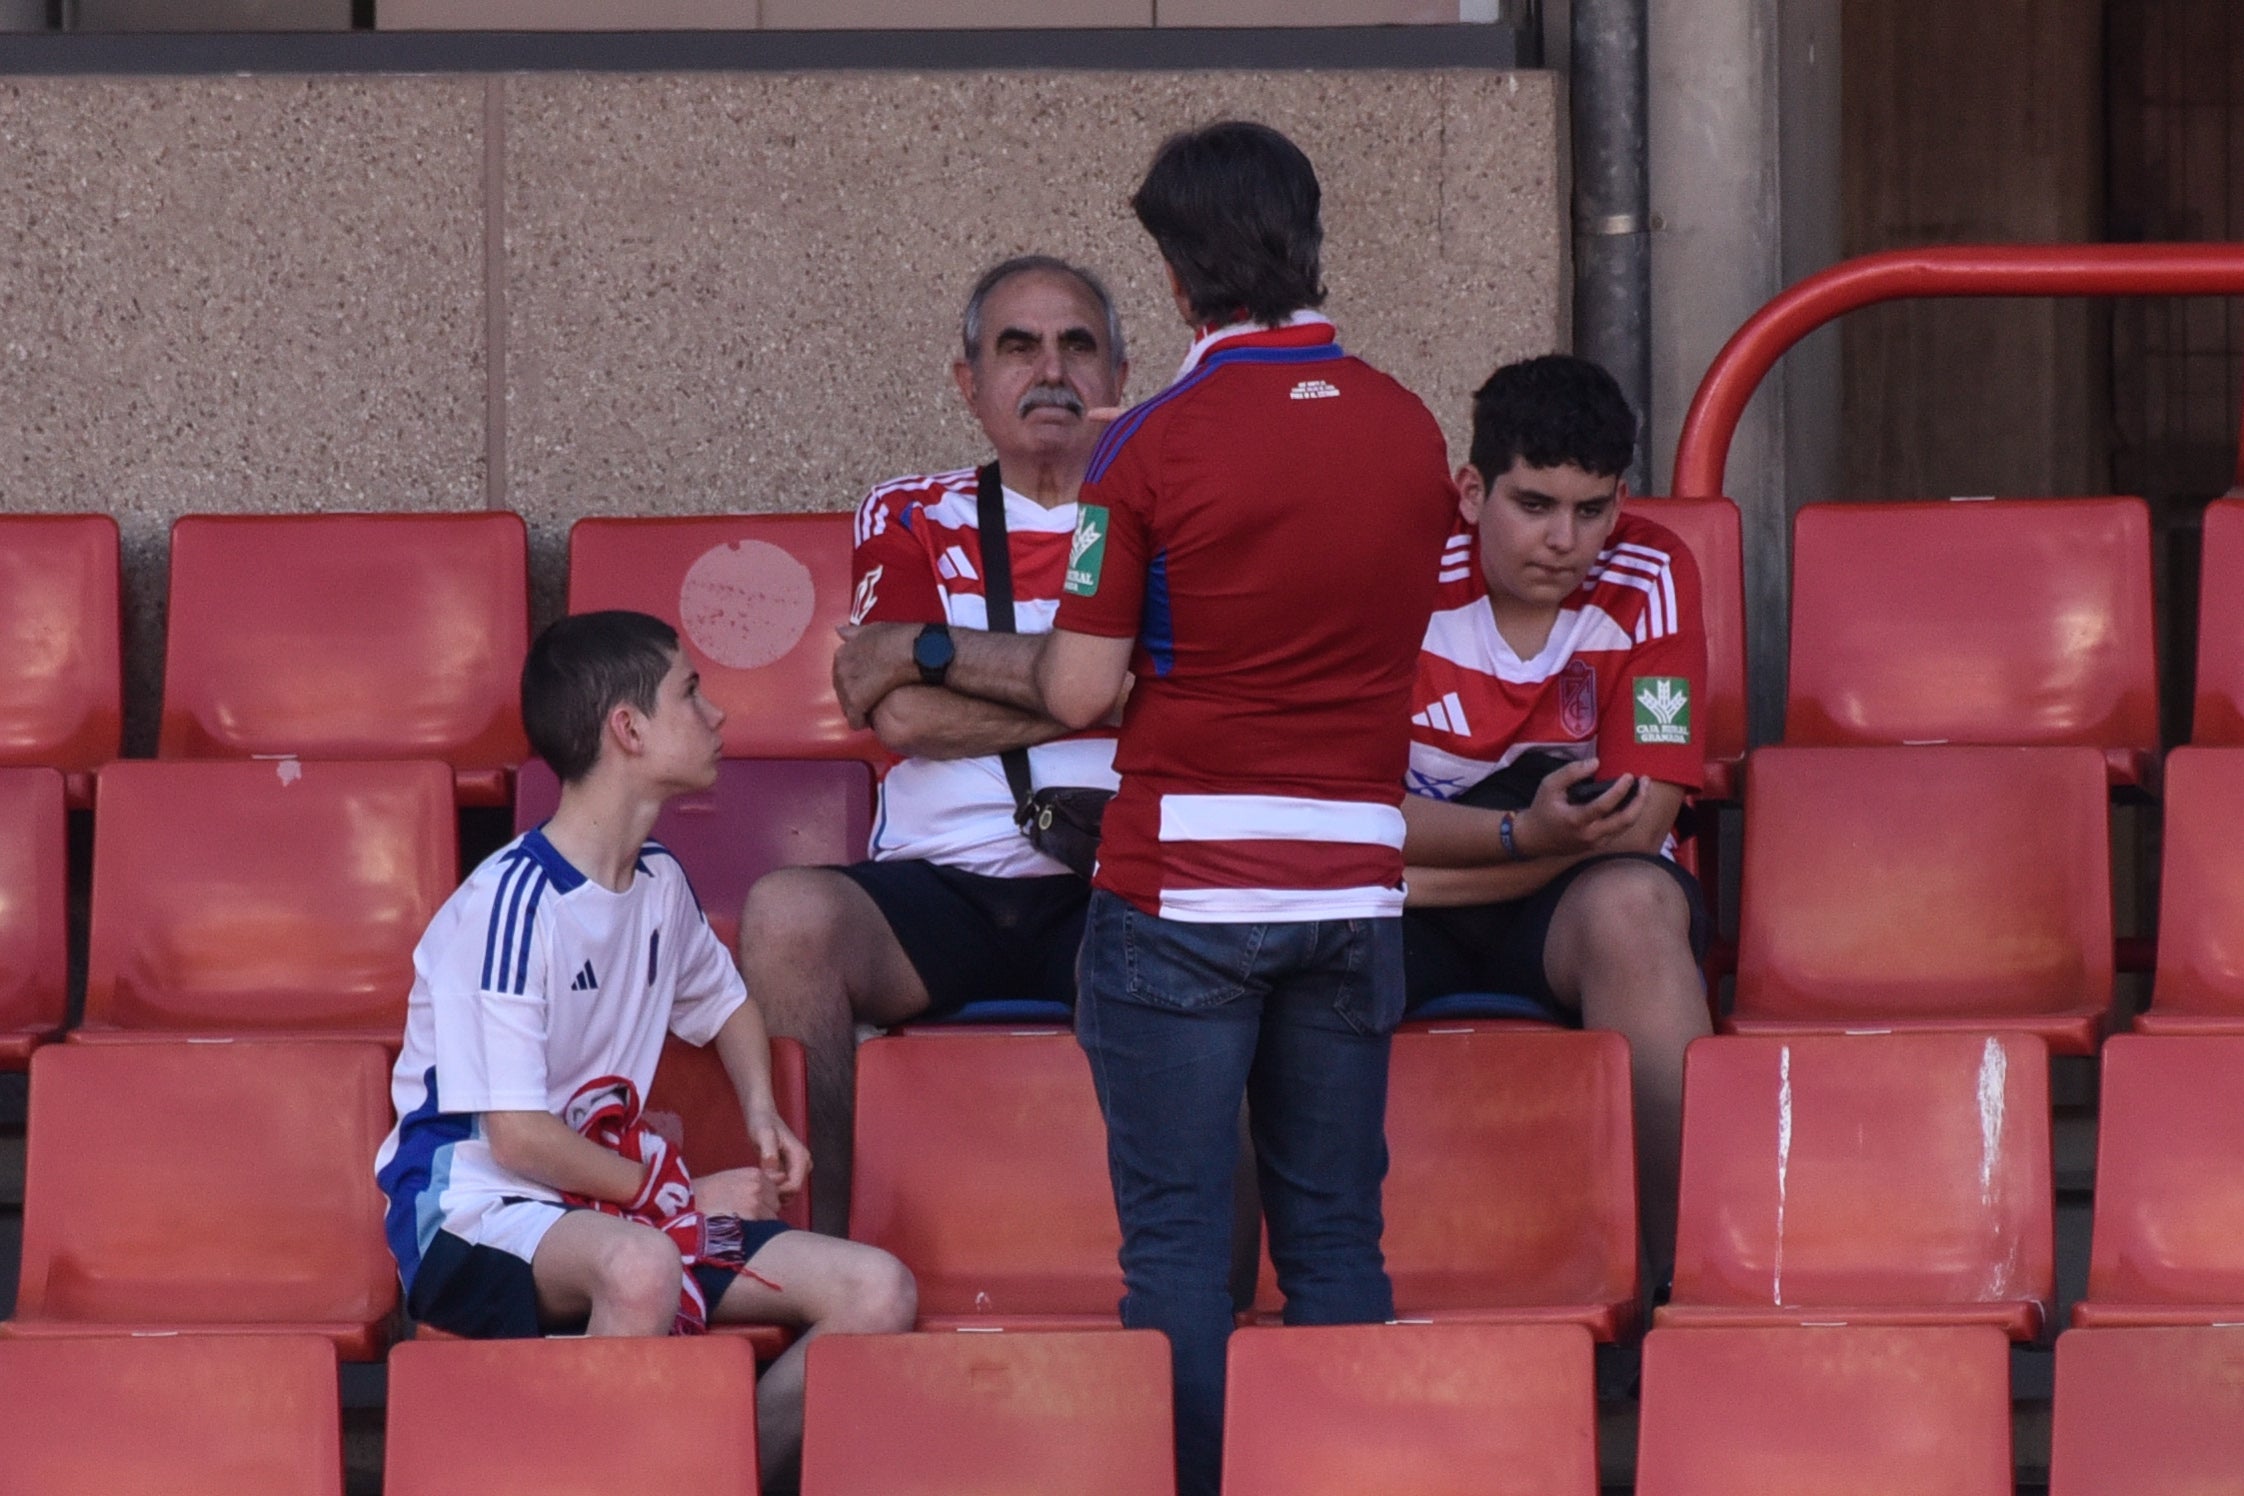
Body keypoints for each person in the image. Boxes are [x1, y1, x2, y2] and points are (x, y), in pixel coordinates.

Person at [833, 122, 1456, 1496]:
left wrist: (925, 650)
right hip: (1355, 886)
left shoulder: (1150, 449)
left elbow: (1075, 689)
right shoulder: (1414, 431)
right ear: (1308, 241)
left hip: (1183, 893)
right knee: (1338, 1241)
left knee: (1178, 1252)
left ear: (1175, 282)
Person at [374, 610, 915, 1490]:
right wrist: (672, 1194)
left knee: (877, 1292)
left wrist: (759, 1109)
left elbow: (726, 1001)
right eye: (691, 694)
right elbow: (515, 1137)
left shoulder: (659, 881)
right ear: (627, 729)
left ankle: (700, 1470)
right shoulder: (510, 908)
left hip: (624, 1209)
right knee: (640, 1268)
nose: (718, 715)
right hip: (473, 1214)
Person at [745, 254, 1129, 1234]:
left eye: (1078, 344)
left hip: (1113, 874)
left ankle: (1148, 1286)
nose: (1052, 370)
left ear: (1120, 378)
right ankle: (815, 1261)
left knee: (1172, 944)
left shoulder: (1160, 515)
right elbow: (902, 718)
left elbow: (1202, 699)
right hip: (939, 881)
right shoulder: (911, 510)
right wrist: (1101, 693)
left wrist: (945, 658)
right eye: (1019, 346)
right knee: (789, 914)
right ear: (969, 382)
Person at [1395, 353, 1712, 1290]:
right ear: (1470, 490)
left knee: (1633, 914)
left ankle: (1680, 1286)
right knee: (1292, 929)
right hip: (1412, 908)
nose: (1564, 539)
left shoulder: (1655, 567)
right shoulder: (1397, 573)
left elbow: (1639, 815)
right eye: (1533, 505)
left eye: (1592, 509)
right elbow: (1352, 814)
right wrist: (1521, 838)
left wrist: (1453, 860)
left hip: (1555, 902)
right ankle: (1301, 1295)